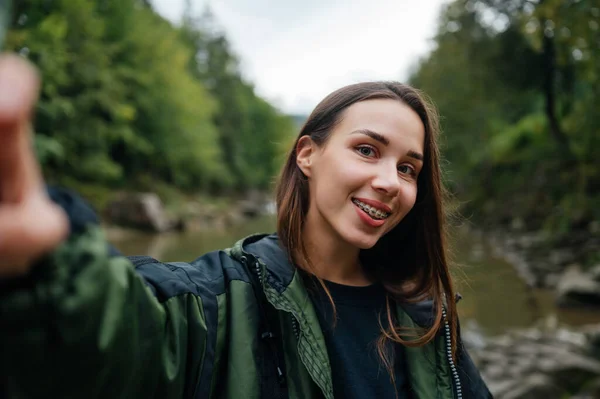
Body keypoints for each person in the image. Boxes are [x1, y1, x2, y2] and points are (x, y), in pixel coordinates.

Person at [0, 54, 491, 398]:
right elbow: (106, 342)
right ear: (307, 155)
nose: (390, 181)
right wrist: (43, 271)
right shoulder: (213, 305)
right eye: (367, 150)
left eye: (409, 168)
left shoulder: (426, 324)